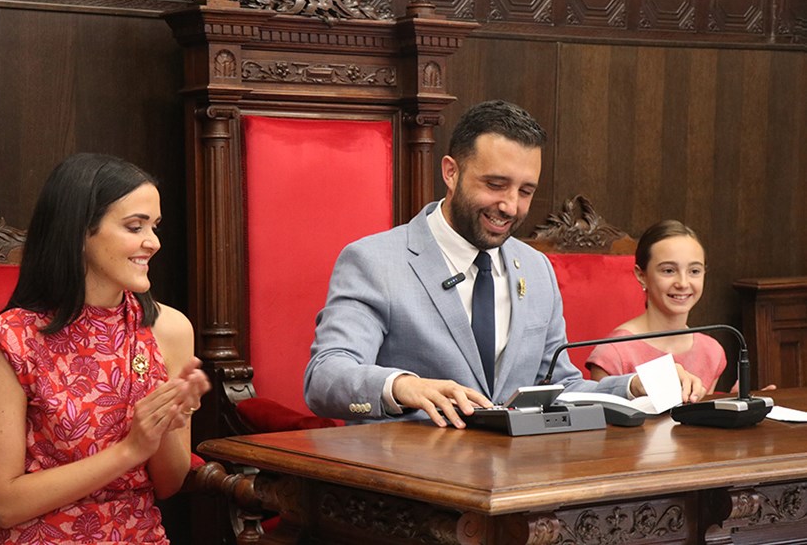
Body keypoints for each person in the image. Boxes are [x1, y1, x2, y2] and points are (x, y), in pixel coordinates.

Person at [303, 100, 706, 429]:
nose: (510, 207)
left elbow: (561, 388)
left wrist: (633, 387)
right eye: (495, 185)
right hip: (409, 478)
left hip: (514, 479)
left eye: (525, 191)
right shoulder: (375, 261)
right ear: (451, 172)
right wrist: (403, 386)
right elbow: (324, 377)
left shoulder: (536, 270)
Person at [0, 153, 210, 543]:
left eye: (154, 227)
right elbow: (4, 505)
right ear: (80, 232)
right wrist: (130, 450)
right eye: (135, 226)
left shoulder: (169, 329)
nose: (153, 243)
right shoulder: (11, 339)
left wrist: (166, 424)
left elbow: (169, 484)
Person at [586, 220, 772, 394]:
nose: (683, 283)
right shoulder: (613, 353)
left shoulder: (711, 352)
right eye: (668, 271)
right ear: (641, 275)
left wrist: (733, 407)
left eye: (694, 271)